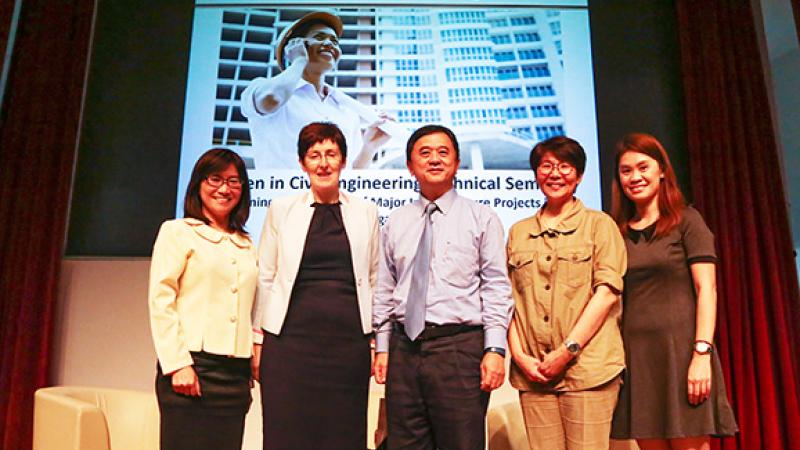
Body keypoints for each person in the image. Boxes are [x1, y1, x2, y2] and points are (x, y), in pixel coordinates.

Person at [372, 124, 514, 450]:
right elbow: (384, 288)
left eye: (443, 152)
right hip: (404, 349)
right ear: (410, 166)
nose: (434, 159)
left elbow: (496, 287)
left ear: (457, 163)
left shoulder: (482, 218)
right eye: (424, 153)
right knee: (404, 444)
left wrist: (495, 350)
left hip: (459, 349)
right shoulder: (395, 221)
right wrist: (382, 347)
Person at [251, 122, 379, 449]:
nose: (323, 163)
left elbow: (375, 278)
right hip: (288, 345)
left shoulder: (366, 211)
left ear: (344, 160)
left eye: (331, 154)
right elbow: (266, 276)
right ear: (302, 163)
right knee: (286, 434)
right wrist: (257, 341)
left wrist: (377, 343)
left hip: (348, 346)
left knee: (344, 435)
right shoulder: (281, 209)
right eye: (314, 155)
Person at [609, 133, 738, 449]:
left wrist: (701, 354)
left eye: (643, 167)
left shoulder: (687, 221)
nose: (635, 177)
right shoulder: (617, 232)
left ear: (662, 171)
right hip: (638, 359)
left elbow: (706, 289)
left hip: (682, 355)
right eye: (626, 171)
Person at [506, 136, 627, 450]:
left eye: (565, 166)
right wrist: (520, 358)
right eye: (546, 166)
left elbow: (606, 294)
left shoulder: (600, 225)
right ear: (536, 173)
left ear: (579, 175)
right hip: (534, 374)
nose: (555, 174)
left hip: (588, 370)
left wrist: (566, 352)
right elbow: (508, 302)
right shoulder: (518, 232)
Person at [149, 148, 257, 450]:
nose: (224, 189)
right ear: (198, 183)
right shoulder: (177, 231)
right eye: (215, 179)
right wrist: (177, 364)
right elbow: (161, 300)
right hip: (192, 369)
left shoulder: (246, 242)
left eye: (233, 181)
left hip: (235, 377)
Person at [241, 11, 391, 169]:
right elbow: (271, 99)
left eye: (334, 41)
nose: (330, 44)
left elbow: (352, 175)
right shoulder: (261, 88)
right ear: (294, 46)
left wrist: (369, 148)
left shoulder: (347, 109)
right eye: (319, 37)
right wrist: (299, 60)